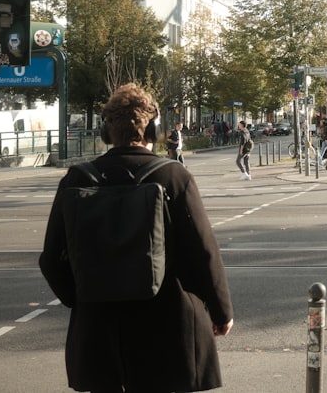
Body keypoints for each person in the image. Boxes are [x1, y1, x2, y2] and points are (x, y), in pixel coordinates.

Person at [39, 83, 233, 393]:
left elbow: (51, 259)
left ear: (106, 132)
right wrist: (222, 312)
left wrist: (81, 299)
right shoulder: (172, 176)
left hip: (99, 329)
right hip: (167, 326)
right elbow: (203, 251)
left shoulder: (78, 179)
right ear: (154, 130)